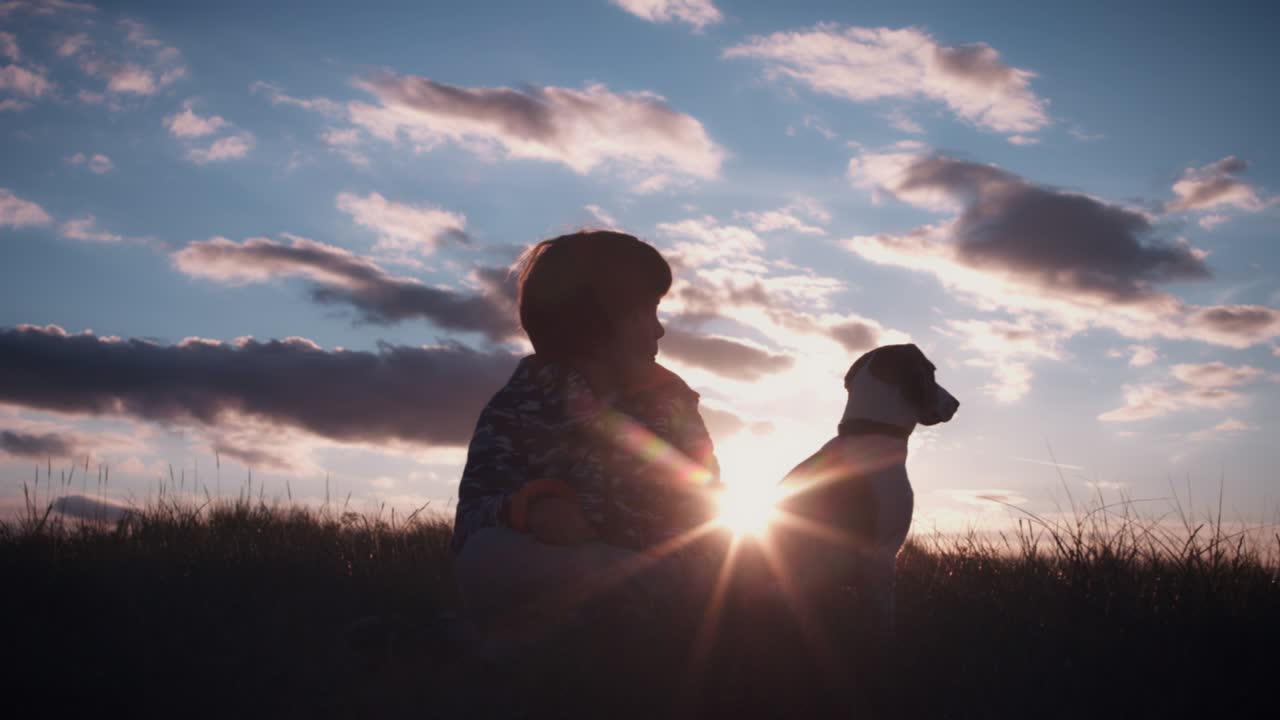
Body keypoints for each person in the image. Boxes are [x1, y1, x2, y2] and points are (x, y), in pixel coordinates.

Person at [451, 230, 723, 639]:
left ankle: (579, 636)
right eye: (648, 311)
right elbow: (472, 521)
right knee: (486, 557)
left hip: (663, 572)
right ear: (599, 317)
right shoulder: (518, 404)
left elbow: (709, 504)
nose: (659, 331)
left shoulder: (674, 404)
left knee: (753, 563)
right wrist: (532, 508)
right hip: (563, 570)